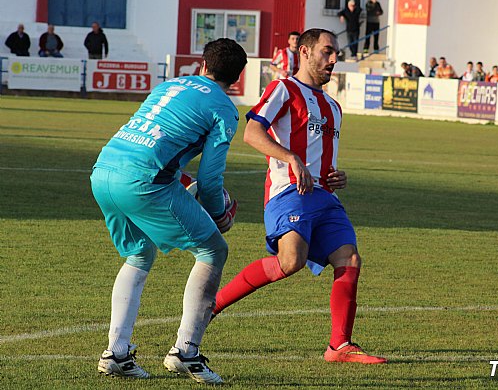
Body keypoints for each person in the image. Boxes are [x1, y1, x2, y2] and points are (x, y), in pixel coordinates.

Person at [210, 28, 387, 365]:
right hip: (289, 192)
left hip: (325, 197)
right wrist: (290, 157)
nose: (333, 59)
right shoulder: (283, 88)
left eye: (335, 53)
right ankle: (213, 304)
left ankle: (339, 346)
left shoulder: (334, 107)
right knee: (290, 261)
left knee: (349, 261)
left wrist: (336, 176)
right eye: (326, 51)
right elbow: (251, 132)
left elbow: (322, 158)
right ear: (305, 53)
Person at [91, 38, 247, 384]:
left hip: (103, 170)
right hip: (143, 180)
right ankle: (186, 353)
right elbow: (209, 178)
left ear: (202, 65)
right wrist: (218, 214)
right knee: (213, 250)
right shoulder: (224, 108)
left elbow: (157, 139)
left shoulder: (170, 84)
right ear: (236, 78)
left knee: (139, 253)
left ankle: (116, 352)